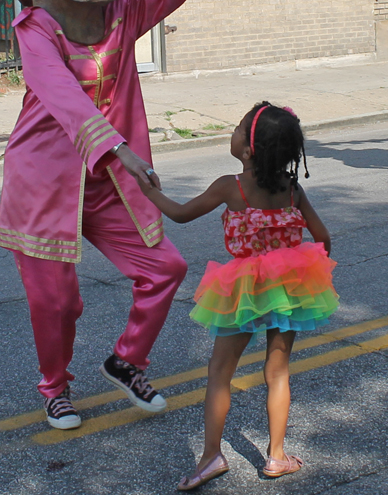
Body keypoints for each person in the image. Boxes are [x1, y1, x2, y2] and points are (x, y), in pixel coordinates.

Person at [0, 0, 228, 430]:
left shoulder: (124, 14)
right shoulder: (36, 30)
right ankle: (54, 387)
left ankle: (126, 362)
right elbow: (64, 97)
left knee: (166, 268)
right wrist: (119, 150)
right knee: (57, 300)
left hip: (107, 185)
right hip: (46, 186)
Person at [138, 102, 339, 488]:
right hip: (290, 289)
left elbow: (180, 214)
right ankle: (277, 456)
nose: (232, 133)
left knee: (219, 372)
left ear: (248, 150)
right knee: (277, 371)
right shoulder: (292, 189)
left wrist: (148, 192)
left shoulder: (230, 187)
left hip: (241, 288)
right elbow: (322, 238)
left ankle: (211, 456)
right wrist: (313, 272)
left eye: (236, 129)